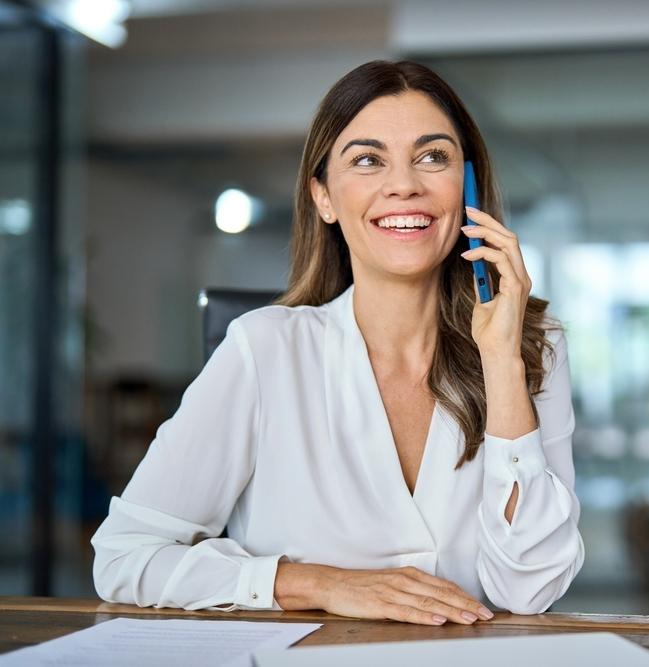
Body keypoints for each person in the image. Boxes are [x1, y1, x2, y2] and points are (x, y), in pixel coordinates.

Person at [91, 60, 585, 626]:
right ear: (323, 196)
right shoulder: (264, 349)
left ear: (467, 189)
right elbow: (125, 557)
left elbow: (531, 586)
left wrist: (500, 363)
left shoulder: (530, 347)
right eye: (368, 160)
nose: (404, 184)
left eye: (433, 157)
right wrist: (318, 584)